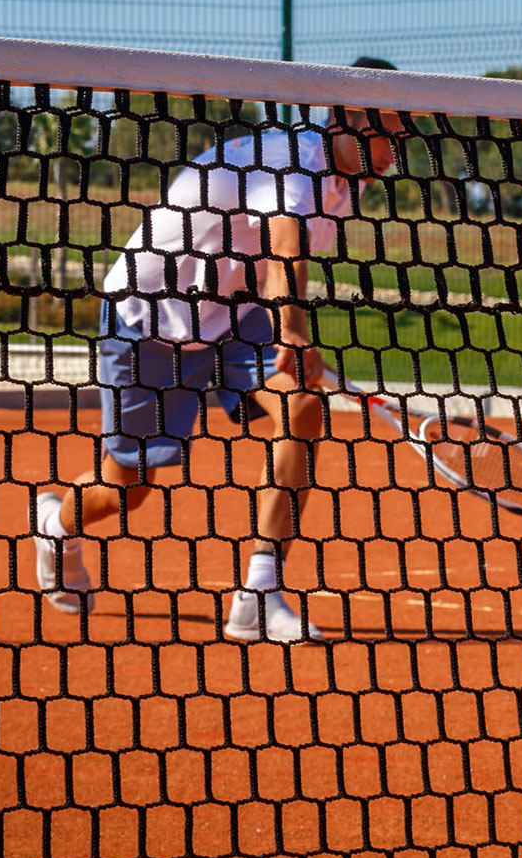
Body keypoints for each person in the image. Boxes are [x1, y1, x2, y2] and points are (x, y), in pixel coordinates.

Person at [32, 57, 409, 642]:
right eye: (387, 129)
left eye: (401, 133)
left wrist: (279, 330)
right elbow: (285, 252)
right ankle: (57, 526)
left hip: (233, 313)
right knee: (125, 488)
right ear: (347, 117)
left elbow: (268, 262)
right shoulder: (291, 164)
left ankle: (258, 593)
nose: (395, 147)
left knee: (303, 406)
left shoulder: (346, 183)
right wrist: (292, 331)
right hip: (149, 313)